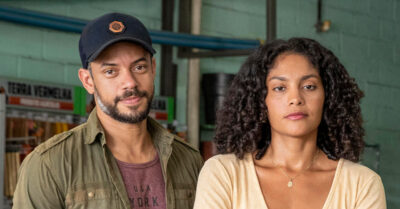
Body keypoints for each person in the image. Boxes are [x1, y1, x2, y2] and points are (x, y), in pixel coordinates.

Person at [13, 13, 203, 209]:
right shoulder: (49, 165)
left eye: (139, 67)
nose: (129, 82)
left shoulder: (190, 161)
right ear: (88, 81)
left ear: (153, 68)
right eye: (111, 71)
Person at [194, 38, 386, 209]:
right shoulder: (223, 174)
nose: (295, 98)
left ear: (328, 97)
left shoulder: (363, 184)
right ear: (261, 100)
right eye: (279, 88)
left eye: (309, 86)